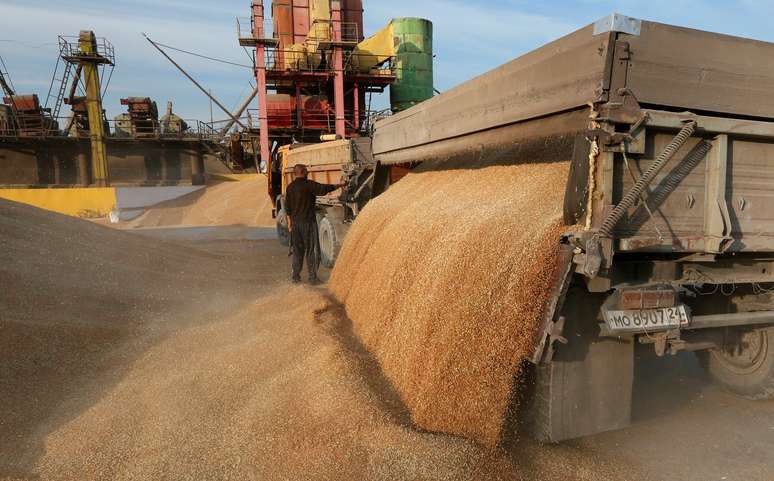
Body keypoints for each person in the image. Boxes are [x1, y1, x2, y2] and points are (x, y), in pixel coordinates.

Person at [284, 164, 346, 284]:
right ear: (302, 172)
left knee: (297, 251)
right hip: (308, 223)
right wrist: (340, 185)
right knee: (310, 250)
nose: (308, 172)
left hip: (296, 224)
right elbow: (324, 189)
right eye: (306, 170)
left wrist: (290, 224)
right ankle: (312, 278)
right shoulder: (308, 185)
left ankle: (295, 278)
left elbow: (288, 208)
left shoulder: (290, 187)